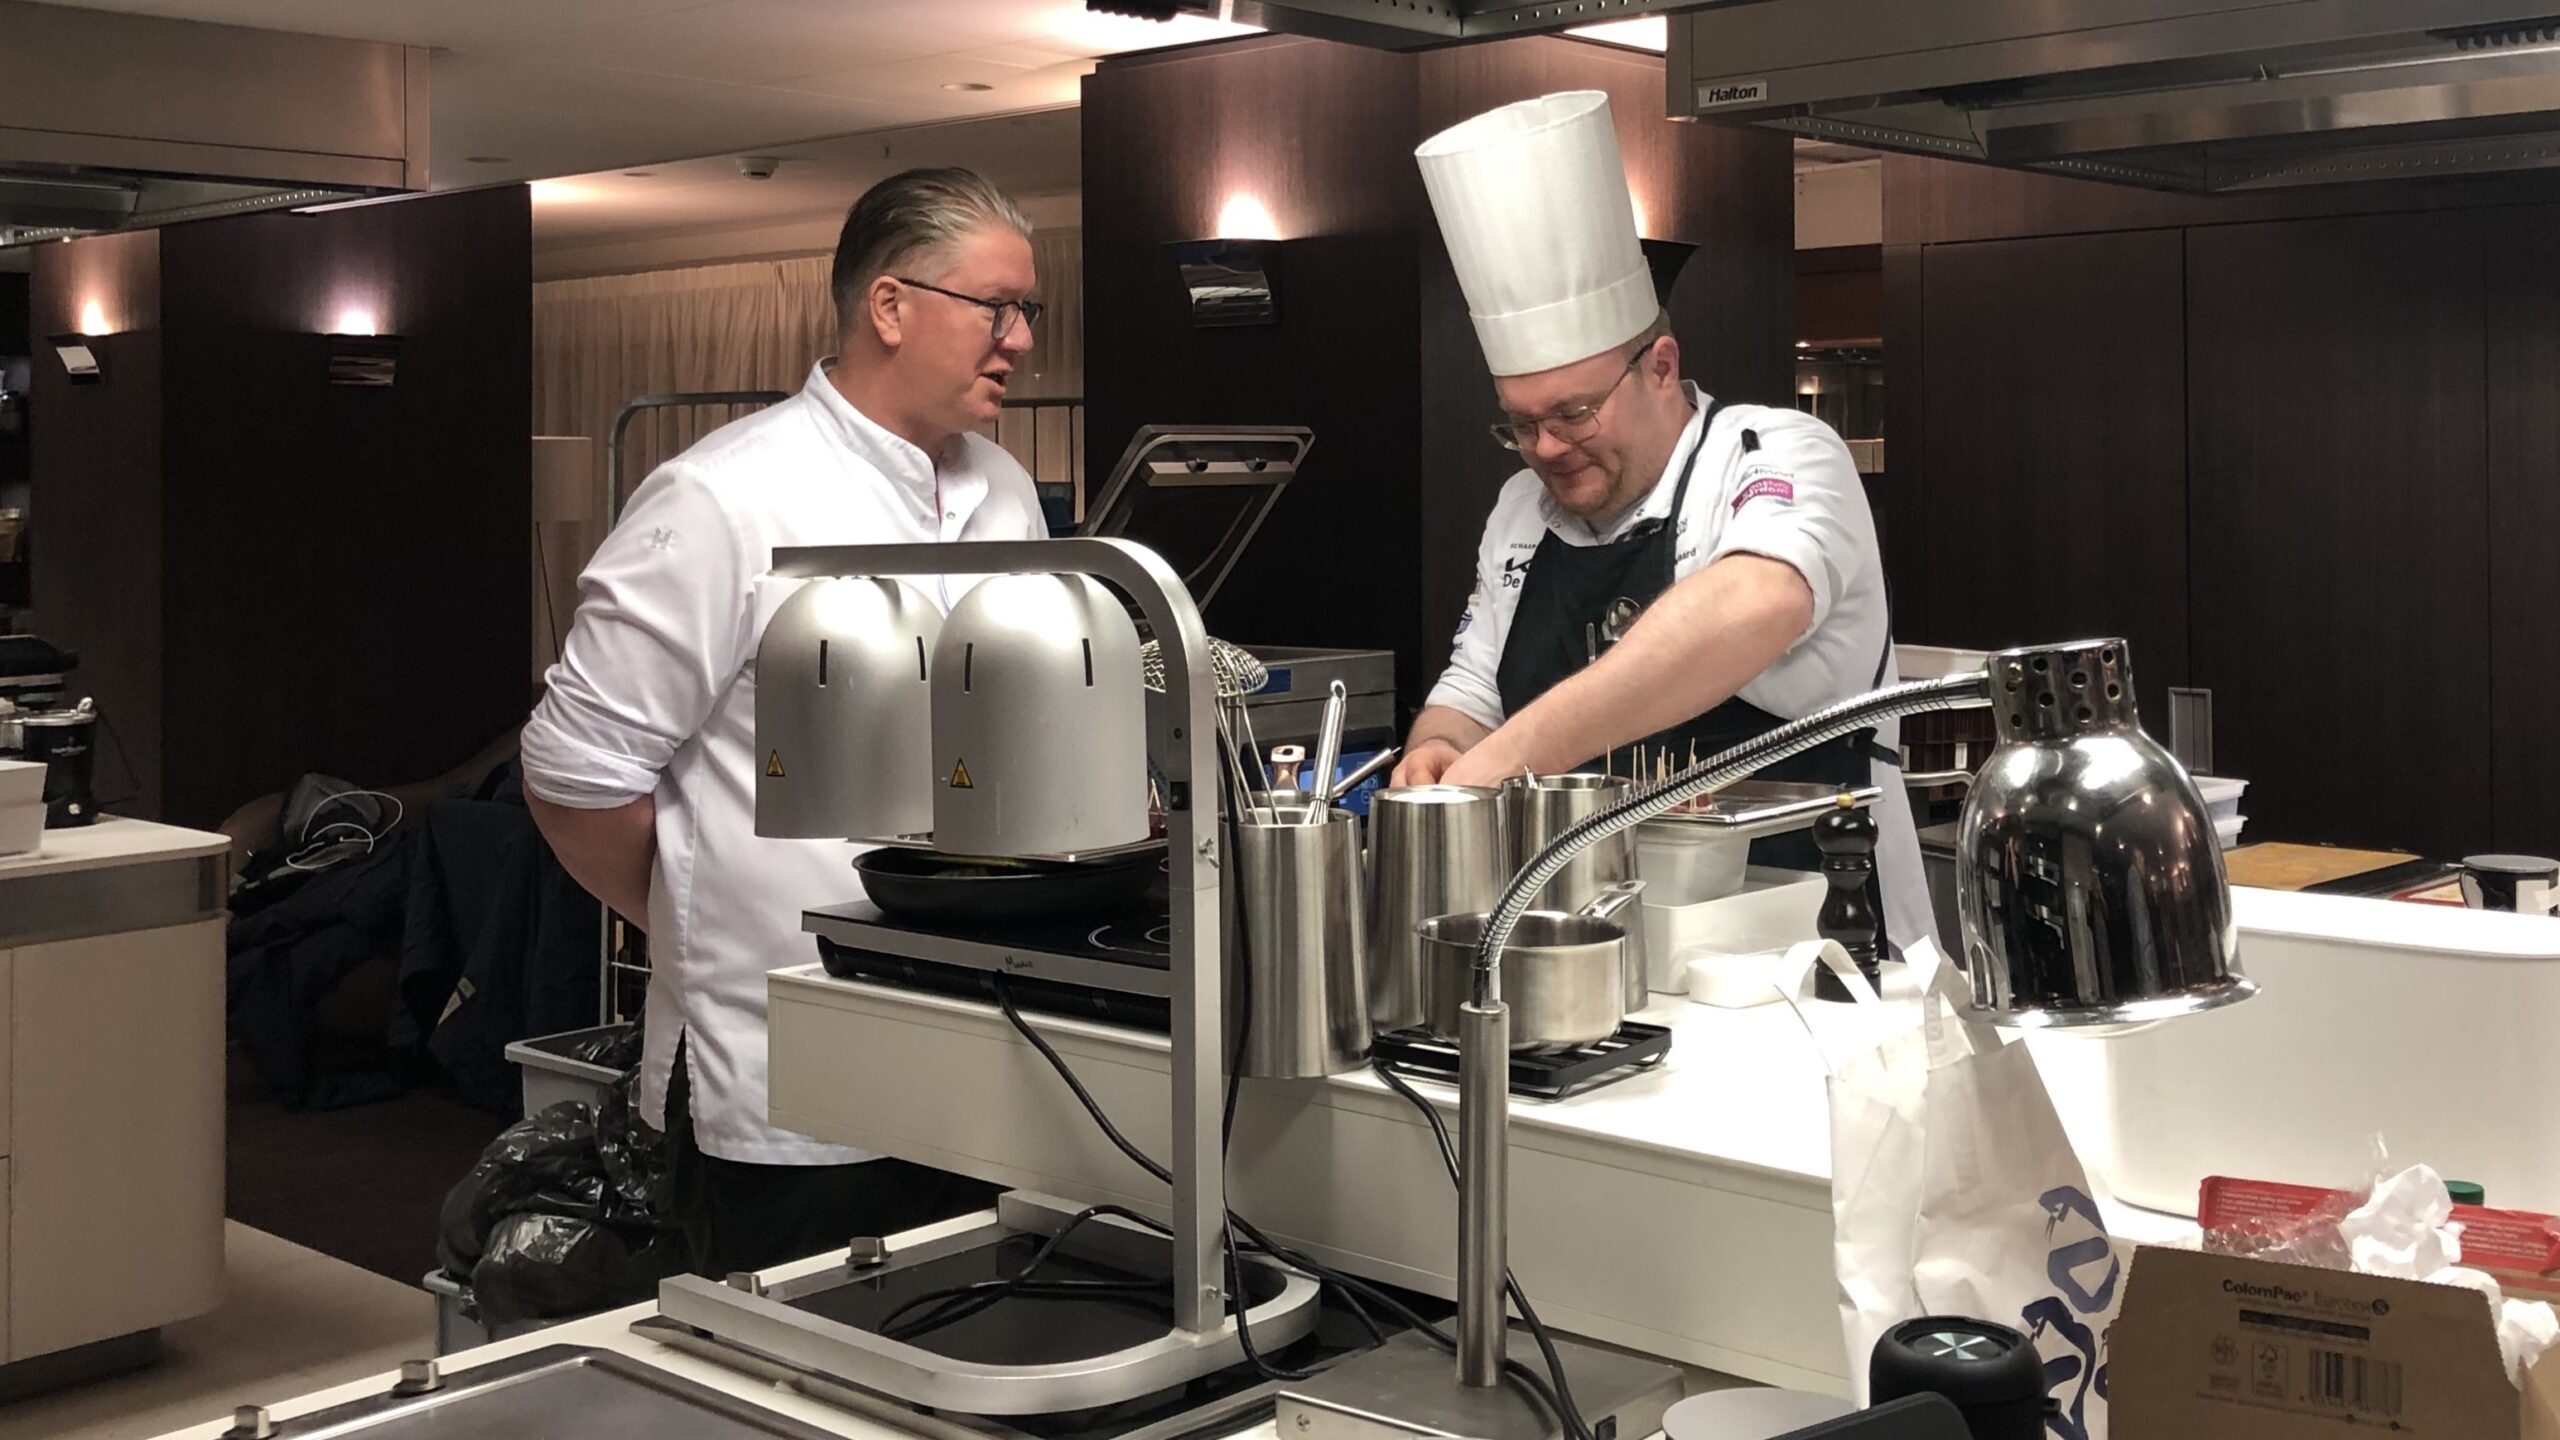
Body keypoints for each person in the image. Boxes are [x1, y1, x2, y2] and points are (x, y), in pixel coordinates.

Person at [520, 168, 1047, 1276]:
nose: (1021, 341)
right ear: (890, 307)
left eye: (1029, 312)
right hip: (780, 1071)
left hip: (981, 1045)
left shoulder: (1003, 487)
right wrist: (700, 919)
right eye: (995, 307)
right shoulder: (722, 497)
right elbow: (576, 779)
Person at [1391, 91, 1932, 950]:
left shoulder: (1778, 453)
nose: (1546, 447)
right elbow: (1473, 689)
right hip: (1603, 955)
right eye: (1519, 423)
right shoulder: (1520, 511)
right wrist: (1440, 749)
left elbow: (1752, 605)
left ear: (1661, 367)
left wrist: (1507, 760)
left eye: (1573, 413)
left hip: (1819, 963)